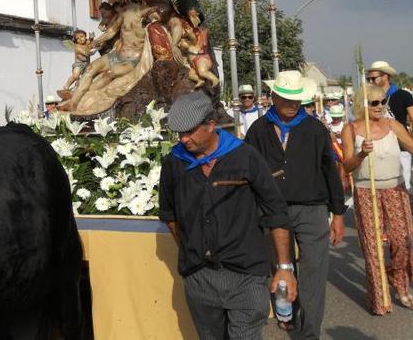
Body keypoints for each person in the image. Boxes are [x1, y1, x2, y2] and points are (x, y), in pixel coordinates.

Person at [159, 91, 296, 339]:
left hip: (246, 276)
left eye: (189, 132)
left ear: (210, 125)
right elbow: (170, 216)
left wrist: (285, 268)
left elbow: (277, 212)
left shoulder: (246, 157)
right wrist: (193, 249)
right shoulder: (173, 164)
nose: (183, 139)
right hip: (200, 278)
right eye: (179, 133)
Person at [244, 70, 346, 337]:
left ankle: (310, 331)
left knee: (314, 272)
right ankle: (288, 310)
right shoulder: (258, 130)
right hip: (272, 210)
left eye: (296, 99)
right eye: (286, 98)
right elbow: (248, 170)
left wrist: (338, 213)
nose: (292, 104)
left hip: (312, 209)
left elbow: (330, 171)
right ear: (274, 96)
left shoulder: (315, 129)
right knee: (280, 266)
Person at [340, 84, 413, 314]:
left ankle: (400, 282)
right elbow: (348, 165)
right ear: (363, 105)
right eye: (374, 103)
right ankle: (380, 300)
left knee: (403, 240)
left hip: (395, 189)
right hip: (366, 191)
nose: (380, 107)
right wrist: (362, 153)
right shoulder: (350, 129)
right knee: (373, 248)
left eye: (383, 102)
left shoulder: (393, 125)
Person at [366, 61, 413, 193]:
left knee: (402, 188)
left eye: (373, 78)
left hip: (400, 148)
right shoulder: (368, 98)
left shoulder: (403, 95)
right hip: (377, 147)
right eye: (368, 79)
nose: (370, 81)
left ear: (385, 76)